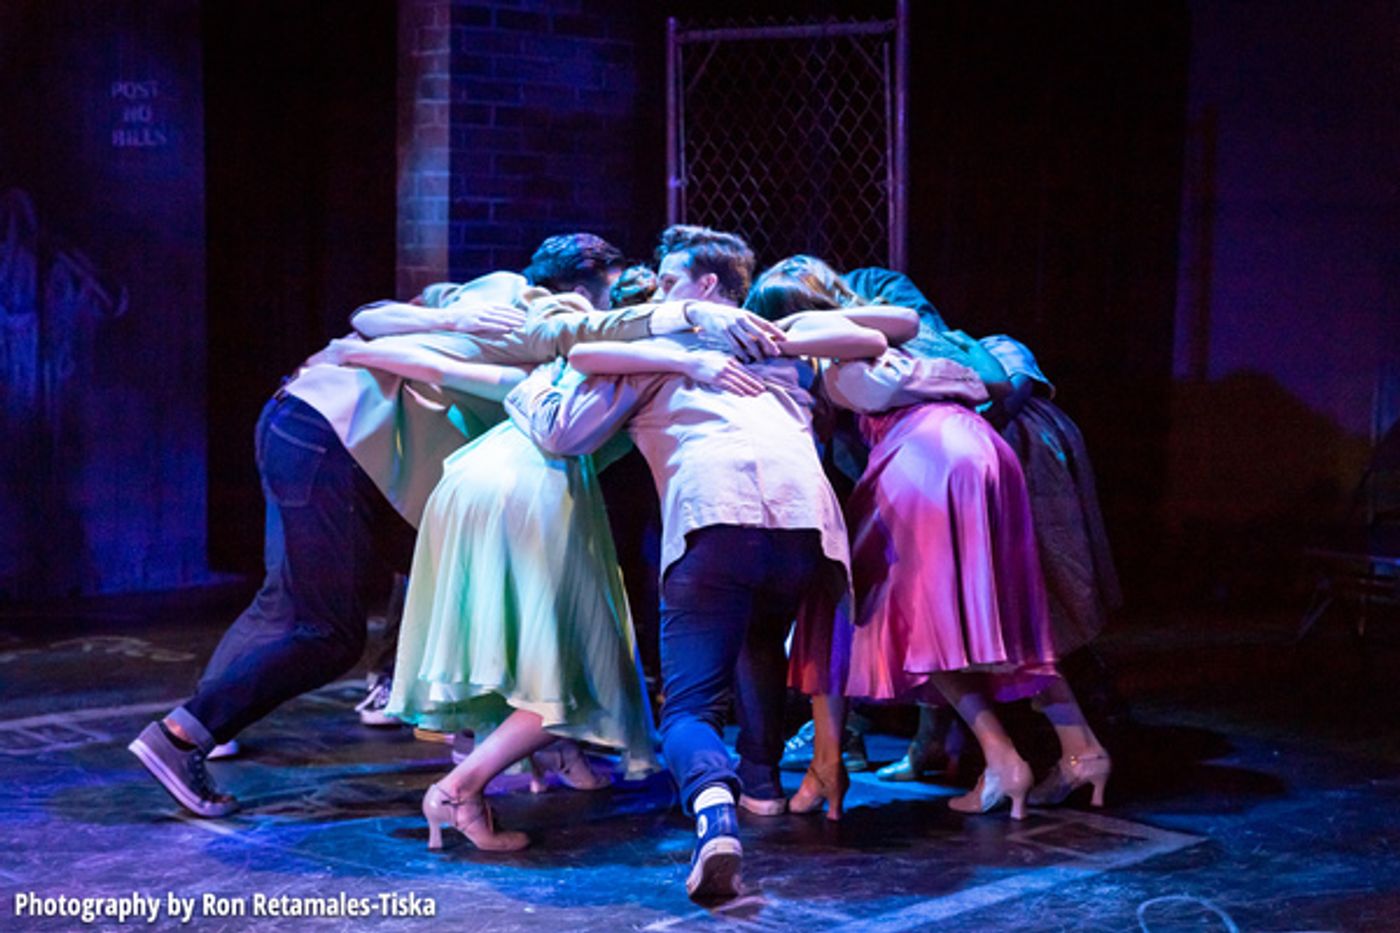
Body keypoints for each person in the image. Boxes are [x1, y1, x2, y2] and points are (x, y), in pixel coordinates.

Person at [128, 233, 774, 819]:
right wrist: (688, 319)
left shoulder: (487, 289)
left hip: (306, 421)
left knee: (323, 597)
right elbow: (584, 330)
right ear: (584, 291)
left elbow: (368, 317)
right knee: (327, 630)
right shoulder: (546, 312)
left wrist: (441, 321)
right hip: (339, 439)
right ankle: (183, 734)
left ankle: (484, 740)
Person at [506, 225, 889, 901]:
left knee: (687, 709)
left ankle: (715, 812)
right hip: (804, 530)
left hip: (718, 518)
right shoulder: (774, 344)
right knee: (759, 636)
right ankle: (763, 785)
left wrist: (530, 389)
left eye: (669, 281)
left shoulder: (659, 353)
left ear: (707, 286)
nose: (659, 293)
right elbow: (877, 338)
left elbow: (567, 430)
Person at [749, 256, 1111, 820]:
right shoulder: (914, 336)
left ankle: (992, 759)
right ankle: (1079, 748)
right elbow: (988, 377)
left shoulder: (840, 354)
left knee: (892, 612)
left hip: (926, 462)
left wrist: (784, 341)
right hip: (982, 453)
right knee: (989, 617)